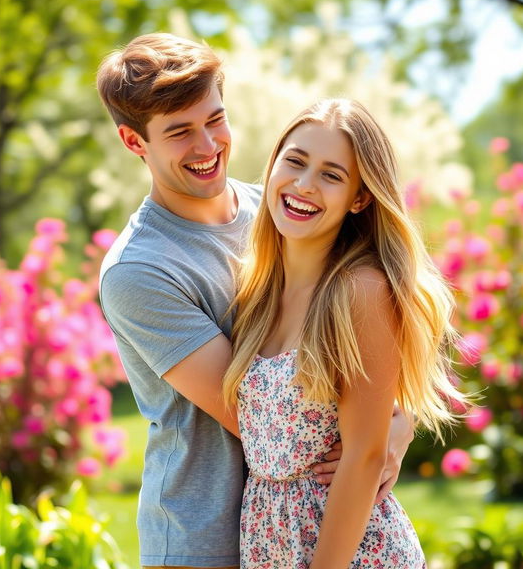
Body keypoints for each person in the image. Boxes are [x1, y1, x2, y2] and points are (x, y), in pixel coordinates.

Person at [96, 33, 414, 569]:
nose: (207, 146)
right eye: (179, 132)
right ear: (135, 142)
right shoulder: (140, 270)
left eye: (214, 120)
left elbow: (362, 339)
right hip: (203, 535)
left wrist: (394, 425)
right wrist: (375, 436)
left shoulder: (279, 210)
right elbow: (265, 419)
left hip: (308, 526)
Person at [222, 98, 468, 568]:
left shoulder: (360, 290)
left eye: (331, 175)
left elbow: (363, 457)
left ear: (359, 198)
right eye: (294, 161)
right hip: (271, 545)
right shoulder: (256, 294)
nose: (304, 184)